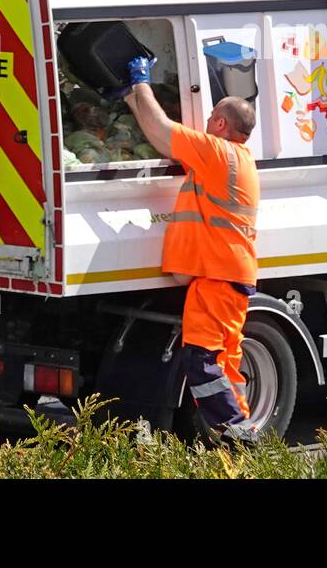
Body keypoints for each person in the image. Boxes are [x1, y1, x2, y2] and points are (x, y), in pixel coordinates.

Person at [120, 54, 261, 442]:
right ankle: (241, 430)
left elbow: (164, 131)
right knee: (225, 364)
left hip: (219, 277)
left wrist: (141, 82)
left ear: (219, 124)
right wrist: (133, 101)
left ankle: (235, 434)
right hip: (228, 275)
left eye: (209, 118)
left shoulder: (218, 153)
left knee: (201, 359)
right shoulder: (236, 160)